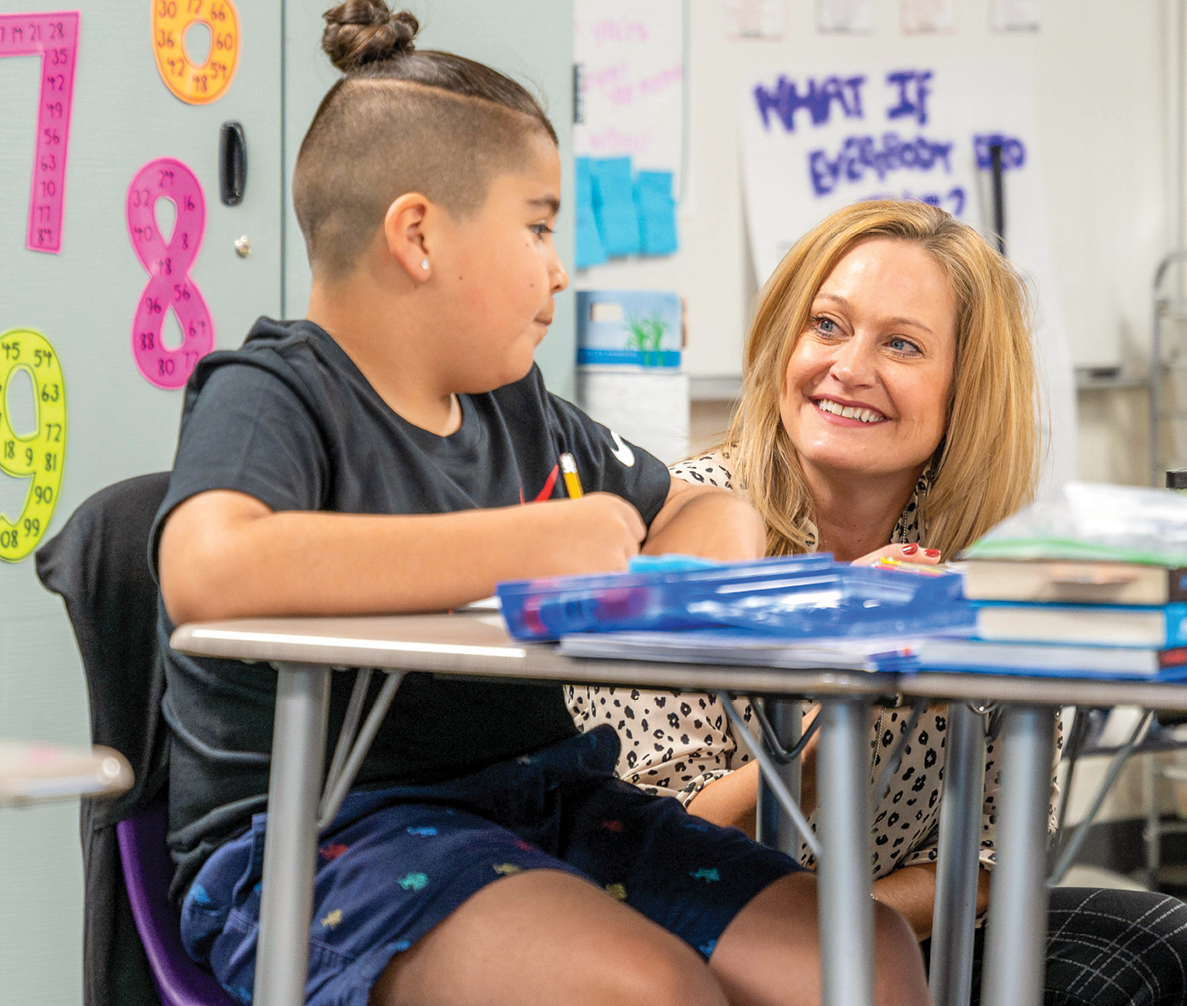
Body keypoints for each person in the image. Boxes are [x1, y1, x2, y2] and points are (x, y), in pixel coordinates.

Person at [151, 6, 932, 1006]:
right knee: (644, 987)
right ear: (420, 236)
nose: (560, 266)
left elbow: (695, 508)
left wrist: (672, 576)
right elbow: (208, 566)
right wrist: (529, 543)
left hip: (546, 803)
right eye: (537, 227)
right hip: (318, 839)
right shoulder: (271, 392)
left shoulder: (517, 410)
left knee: (863, 959)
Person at [569, 199, 1187, 1004]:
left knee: (1165, 942)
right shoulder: (692, 528)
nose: (849, 367)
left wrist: (855, 934)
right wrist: (850, 686)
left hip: (892, 929)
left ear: (964, 389)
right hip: (685, 922)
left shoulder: (979, 564)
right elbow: (657, 843)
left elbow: (994, 860)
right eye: (827, 326)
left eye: (901, 344)